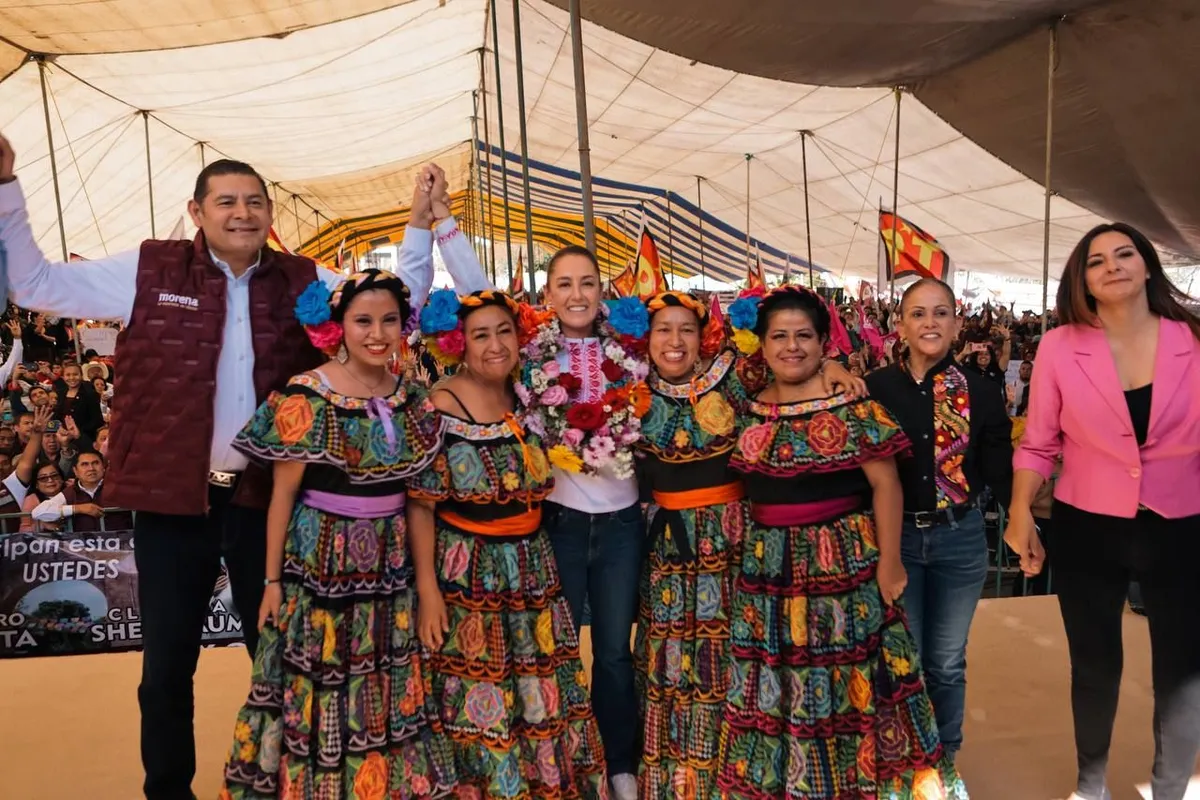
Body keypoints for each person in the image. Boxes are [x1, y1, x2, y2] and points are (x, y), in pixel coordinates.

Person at [0, 132, 485, 799]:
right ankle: (167, 790)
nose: (243, 212)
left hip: (268, 503)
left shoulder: (302, 281)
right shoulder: (150, 270)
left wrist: (419, 223)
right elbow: (36, 284)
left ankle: (287, 785)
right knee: (166, 667)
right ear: (196, 211)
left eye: (255, 201)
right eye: (226, 200)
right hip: (174, 502)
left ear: (268, 215)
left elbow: (388, 296)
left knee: (285, 661)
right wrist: (5, 187)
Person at [717, 285, 965, 799]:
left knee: (857, 691)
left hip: (846, 569)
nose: (792, 347)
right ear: (760, 346)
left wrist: (891, 562)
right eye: (779, 337)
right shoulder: (744, 409)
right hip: (770, 578)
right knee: (781, 692)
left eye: (804, 336)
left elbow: (886, 483)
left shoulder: (850, 403)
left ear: (824, 342)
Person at [220, 270, 458, 799]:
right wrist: (272, 582)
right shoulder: (309, 393)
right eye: (363, 321)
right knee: (324, 685)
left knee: (386, 686)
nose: (377, 333)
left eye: (389, 320)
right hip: (320, 566)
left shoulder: (414, 398)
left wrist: (426, 589)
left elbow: (420, 503)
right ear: (340, 326)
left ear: (405, 325)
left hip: (390, 567)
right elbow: (282, 496)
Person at [633, 290, 862, 800]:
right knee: (666, 660)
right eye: (663, 330)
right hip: (668, 550)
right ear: (646, 340)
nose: (674, 341)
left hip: (734, 541)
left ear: (703, 336)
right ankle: (673, 781)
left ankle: (735, 779)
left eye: (686, 330)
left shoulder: (736, 377)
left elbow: (794, 366)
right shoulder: (628, 393)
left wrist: (835, 370)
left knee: (737, 655)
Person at [1004, 222, 1200, 800]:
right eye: (1096, 260)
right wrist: (1020, 511)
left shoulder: (1192, 337)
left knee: (1183, 670)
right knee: (1093, 664)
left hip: (1182, 526)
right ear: (1082, 279)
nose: (1112, 265)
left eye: (1125, 253)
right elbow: (1039, 442)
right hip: (1088, 524)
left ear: (1147, 267)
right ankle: (1090, 787)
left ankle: (1169, 789)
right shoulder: (1061, 346)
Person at [409, 289, 608, 799]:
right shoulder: (441, 403)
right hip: (468, 573)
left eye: (503, 332)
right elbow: (421, 503)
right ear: (460, 343)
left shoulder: (524, 393)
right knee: (481, 692)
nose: (495, 344)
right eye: (481, 335)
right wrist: (429, 590)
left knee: (536, 693)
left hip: (530, 570)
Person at [517, 245, 648, 800]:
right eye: (564, 284)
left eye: (587, 283)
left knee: (615, 651)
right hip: (560, 523)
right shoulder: (527, 357)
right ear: (547, 295)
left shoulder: (633, 354)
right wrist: (443, 223)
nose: (576, 295)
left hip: (622, 525)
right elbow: (474, 310)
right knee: (561, 651)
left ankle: (620, 763)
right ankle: (569, 763)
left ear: (603, 292)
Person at [866, 277, 1013, 760]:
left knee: (947, 662)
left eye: (941, 313)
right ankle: (906, 756)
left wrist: (1021, 520)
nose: (930, 322)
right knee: (903, 659)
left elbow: (997, 465)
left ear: (957, 323)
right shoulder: (875, 388)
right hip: (898, 539)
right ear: (901, 325)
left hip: (960, 539)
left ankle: (944, 759)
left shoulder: (980, 389)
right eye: (918, 313)